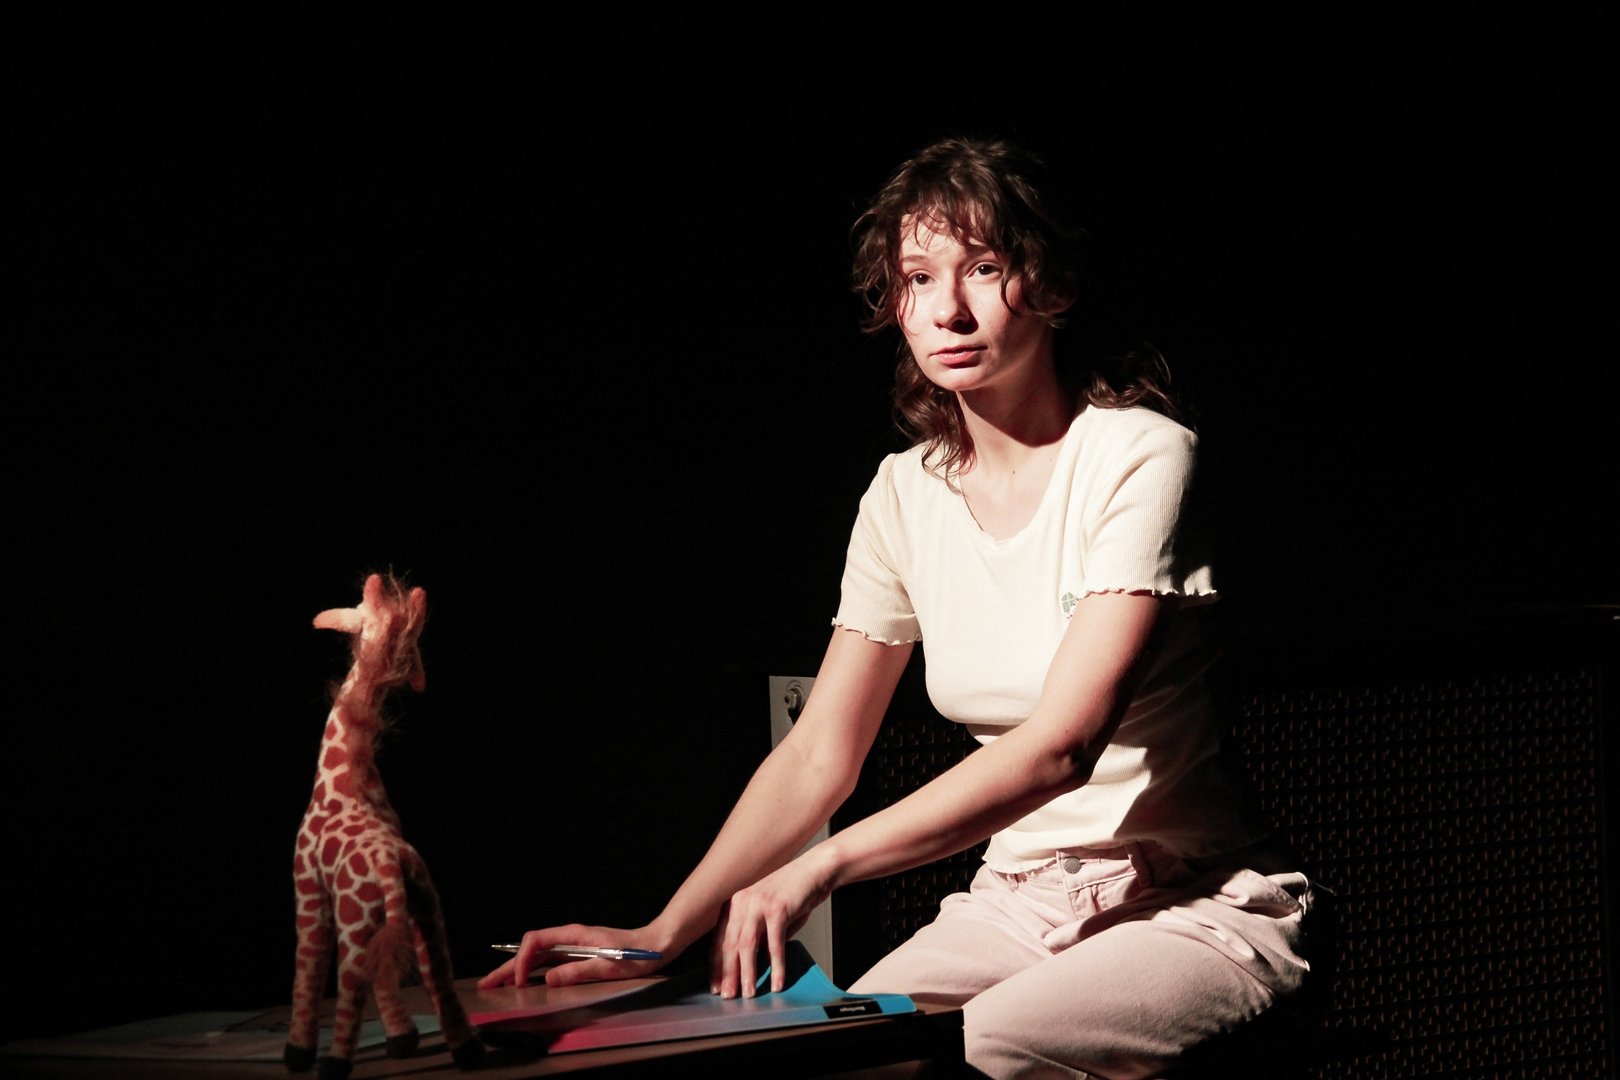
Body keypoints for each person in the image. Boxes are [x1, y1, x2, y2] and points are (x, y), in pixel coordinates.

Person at [480, 134, 1317, 1078]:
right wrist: (666, 929)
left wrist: (819, 867)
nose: (948, 309)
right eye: (919, 278)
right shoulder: (902, 494)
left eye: (984, 268)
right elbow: (819, 754)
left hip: (1195, 903)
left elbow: (1061, 746)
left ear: (1053, 284)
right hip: (1018, 902)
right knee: (844, 1053)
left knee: (984, 1047)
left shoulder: (1141, 454)